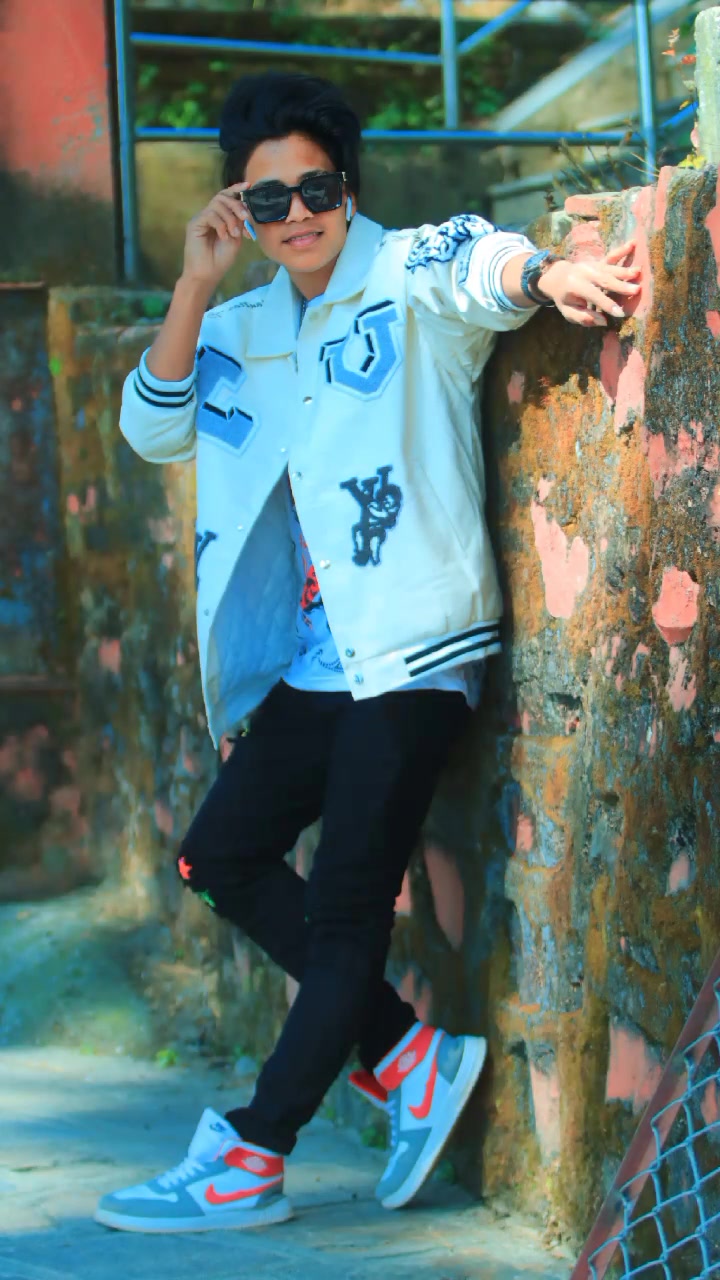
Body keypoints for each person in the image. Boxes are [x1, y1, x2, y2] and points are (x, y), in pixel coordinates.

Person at [96, 71, 640, 1235]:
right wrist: (194, 283)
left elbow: (480, 261)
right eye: (268, 198)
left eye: (317, 187)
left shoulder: (403, 274)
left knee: (346, 913)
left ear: (348, 184)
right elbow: (151, 426)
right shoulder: (241, 327)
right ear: (240, 208)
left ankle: (252, 1152)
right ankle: (407, 1056)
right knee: (218, 854)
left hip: (414, 651)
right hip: (313, 663)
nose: (297, 213)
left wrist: (547, 274)